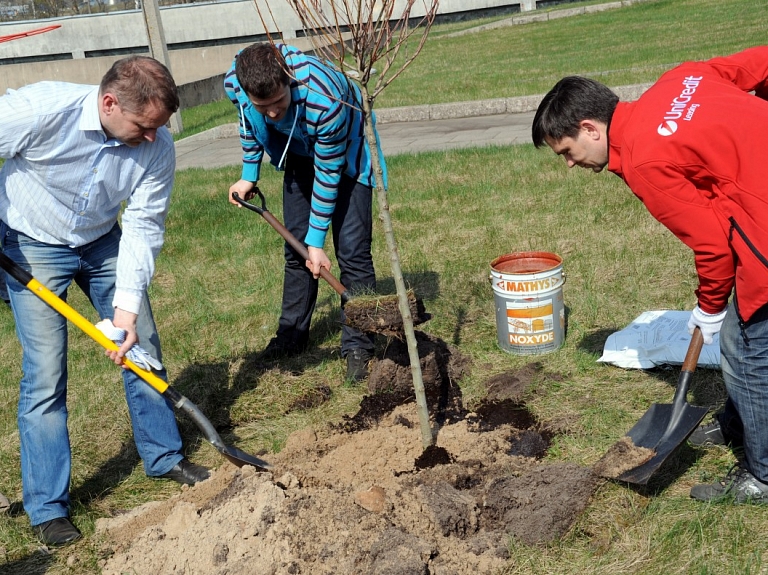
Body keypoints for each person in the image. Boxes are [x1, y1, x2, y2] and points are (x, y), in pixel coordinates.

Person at [532, 46, 768, 504]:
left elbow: (714, 246)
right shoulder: (681, 79)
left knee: (748, 348)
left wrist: (709, 307)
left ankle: (762, 477)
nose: (569, 164)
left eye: (567, 151)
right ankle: (741, 422)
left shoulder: (644, 159)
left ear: (590, 128)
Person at [0, 56, 210, 547]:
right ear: (110, 103)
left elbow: (143, 226)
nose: (153, 137)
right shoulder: (38, 111)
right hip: (30, 242)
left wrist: (126, 311)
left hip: (101, 241)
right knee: (47, 371)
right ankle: (48, 508)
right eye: (143, 126)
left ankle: (163, 456)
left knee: (143, 343)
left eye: (159, 127)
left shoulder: (157, 147)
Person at [224, 42, 387, 382]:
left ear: (289, 81)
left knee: (352, 250)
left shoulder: (324, 99)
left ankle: (359, 344)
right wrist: (249, 174)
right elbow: (248, 122)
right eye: (262, 105)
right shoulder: (235, 83)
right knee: (295, 249)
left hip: (345, 154)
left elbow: (328, 174)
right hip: (298, 150)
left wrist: (317, 242)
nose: (271, 113)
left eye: (278, 104)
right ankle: (291, 336)